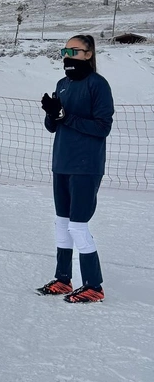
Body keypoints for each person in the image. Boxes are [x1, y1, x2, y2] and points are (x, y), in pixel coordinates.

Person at [37, 34, 113, 303]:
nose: (68, 56)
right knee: (62, 224)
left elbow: (103, 127)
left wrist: (66, 116)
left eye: (74, 50)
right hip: (62, 162)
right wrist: (52, 113)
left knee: (78, 225)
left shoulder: (97, 85)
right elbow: (53, 126)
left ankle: (94, 285)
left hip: (86, 165)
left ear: (89, 54)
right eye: (64, 51)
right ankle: (63, 279)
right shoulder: (63, 83)